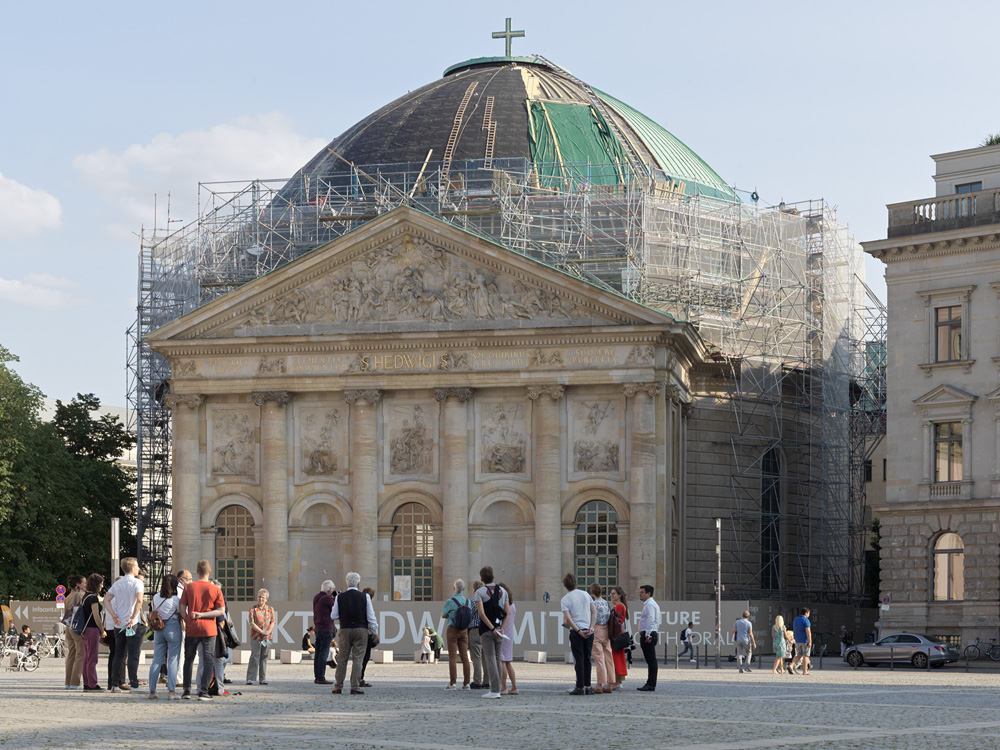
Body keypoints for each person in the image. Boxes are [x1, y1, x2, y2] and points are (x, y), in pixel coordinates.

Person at [179, 558, 225, 701]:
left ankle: (186, 690)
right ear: (209, 572)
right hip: (209, 629)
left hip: (192, 628)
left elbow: (181, 608)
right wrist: (205, 615)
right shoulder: (215, 589)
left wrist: (188, 619)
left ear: (197, 572)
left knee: (189, 659)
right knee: (208, 660)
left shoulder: (188, 587)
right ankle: (203, 692)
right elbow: (221, 611)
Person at [331, 571, 379, 695]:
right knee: (358, 659)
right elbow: (371, 616)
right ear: (359, 584)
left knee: (342, 659)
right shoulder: (365, 597)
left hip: (345, 629)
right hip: (361, 629)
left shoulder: (340, 597)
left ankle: (338, 686)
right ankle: (355, 686)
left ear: (347, 583)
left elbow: (334, 615)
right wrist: (375, 631)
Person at [104, 556, 145, 692]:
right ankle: (134, 684)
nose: (138, 568)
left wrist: (113, 615)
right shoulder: (137, 583)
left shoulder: (118, 583)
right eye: (137, 566)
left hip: (119, 624)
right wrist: (133, 617)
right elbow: (139, 601)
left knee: (119, 655)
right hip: (131, 624)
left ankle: (115, 684)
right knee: (133, 654)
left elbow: (106, 600)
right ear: (133, 568)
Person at [475, 566, 510, 699]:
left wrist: (491, 629)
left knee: (490, 658)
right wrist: (502, 628)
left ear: (482, 579)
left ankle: (494, 690)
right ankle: (499, 688)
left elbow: (482, 614)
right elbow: (508, 613)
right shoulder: (503, 591)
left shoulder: (480, 592)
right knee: (497, 658)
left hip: (486, 630)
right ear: (493, 577)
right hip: (500, 629)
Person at [147, 573, 182, 699]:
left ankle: (152, 691)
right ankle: (171, 692)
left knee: (157, 659)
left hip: (159, 629)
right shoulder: (175, 599)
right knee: (173, 660)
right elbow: (180, 613)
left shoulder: (156, 597)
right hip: (172, 627)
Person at [561, 572, 596, 695]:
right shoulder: (586, 594)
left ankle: (580, 687)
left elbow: (569, 619)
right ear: (576, 584)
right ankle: (588, 686)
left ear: (565, 585)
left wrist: (578, 631)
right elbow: (594, 612)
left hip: (577, 631)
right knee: (587, 659)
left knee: (579, 659)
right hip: (589, 630)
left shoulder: (565, 599)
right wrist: (591, 627)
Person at [441, 579, 472, 690]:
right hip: (464, 631)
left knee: (452, 656)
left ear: (454, 588)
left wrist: (450, 615)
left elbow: (443, 615)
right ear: (463, 589)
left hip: (452, 630)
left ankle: (453, 683)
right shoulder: (468, 602)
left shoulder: (450, 601)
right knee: (465, 657)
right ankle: (467, 683)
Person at [80, 573, 106, 691]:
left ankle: (86, 682)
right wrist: (102, 630)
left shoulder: (85, 596)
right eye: (101, 584)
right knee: (92, 658)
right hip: (92, 630)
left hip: (85, 630)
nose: (102, 586)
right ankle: (92, 684)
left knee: (86, 658)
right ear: (96, 585)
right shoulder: (93, 598)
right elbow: (96, 617)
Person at [61, 574, 87, 690]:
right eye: (84, 583)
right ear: (78, 585)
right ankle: (75, 682)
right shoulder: (81, 595)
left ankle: (68, 681)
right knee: (80, 655)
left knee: (71, 654)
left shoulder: (67, 597)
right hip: (77, 627)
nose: (86, 585)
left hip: (68, 627)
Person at [246, 588, 275, 686]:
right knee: (255, 656)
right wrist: (261, 631)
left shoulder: (270, 609)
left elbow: (273, 622)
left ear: (266, 599)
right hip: (256, 637)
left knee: (264, 657)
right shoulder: (253, 609)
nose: (260, 599)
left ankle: (262, 678)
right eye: (259, 597)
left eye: (263, 598)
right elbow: (252, 623)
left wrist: (268, 632)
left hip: (267, 637)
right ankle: (250, 678)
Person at [589, 583, 614, 694]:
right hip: (606, 630)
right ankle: (611, 683)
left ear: (592, 592)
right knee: (609, 656)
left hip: (597, 630)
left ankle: (599, 684)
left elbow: (591, 616)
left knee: (599, 658)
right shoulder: (606, 603)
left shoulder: (593, 603)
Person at [636, 584, 661, 692]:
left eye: (642, 592)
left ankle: (651, 684)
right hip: (650, 633)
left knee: (651, 661)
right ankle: (650, 683)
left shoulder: (650, 604)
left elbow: (651, 620)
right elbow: (657, 621)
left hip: (648, 634)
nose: (640, 594)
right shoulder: (651, 604)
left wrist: (648, 635)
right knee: (651, 660)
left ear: (648, 593)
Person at [312, 580, 337, 685]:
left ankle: (317, 677)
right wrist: (336, 598)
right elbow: (335, 608)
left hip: (318, 628)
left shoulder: (316, 597)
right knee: (324, 654)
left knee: (318, 653)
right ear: (329, 589)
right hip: (326, 629)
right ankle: (321, 677)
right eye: (333, 590)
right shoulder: (327, 598)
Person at [608, 586, 630, 690]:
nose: (611, 595)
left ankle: (616, 681)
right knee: (618, 659)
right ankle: (618, 681)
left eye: (614, 593)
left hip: (616, 636)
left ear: (619, 595)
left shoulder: (619, 607)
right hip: (619, 635)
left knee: (615, 659)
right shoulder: (621, 606)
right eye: (611, 593)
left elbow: (616, 622)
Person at [498, 583, 518, 696]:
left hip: (503, 632)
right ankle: (514, 687)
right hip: (510, 633)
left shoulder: (503, 605)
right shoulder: (513, 605)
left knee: (502, 661)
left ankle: (503, 687)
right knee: (508, 661)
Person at [466, 579, 486, 689]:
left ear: (474, 590)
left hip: (475, 630)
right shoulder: (487, 601)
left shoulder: (472, 601)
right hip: (486, 630)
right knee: (486, 657)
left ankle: (477, 681)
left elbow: (469, 616)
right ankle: (487, 681)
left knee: (476, 657)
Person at [359, 586, 376, 687]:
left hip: (359, 633)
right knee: (364, 658)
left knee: (360, 657)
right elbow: (371, 620)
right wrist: (375, 632)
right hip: (366, 634)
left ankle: (359, 678)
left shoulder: (359, 605)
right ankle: (360, 679)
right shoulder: (368, 606)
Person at [790, 607, 812, 676]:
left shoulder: (795, 620)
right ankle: (805, 671)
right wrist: (810, 641)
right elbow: (808, 631)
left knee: (798, 655)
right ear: (806, 613)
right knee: (806, 656)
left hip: (797, 640)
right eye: (809, 613)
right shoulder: (806, 620)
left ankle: (791, 666)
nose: (809, 615)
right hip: (805, 640)